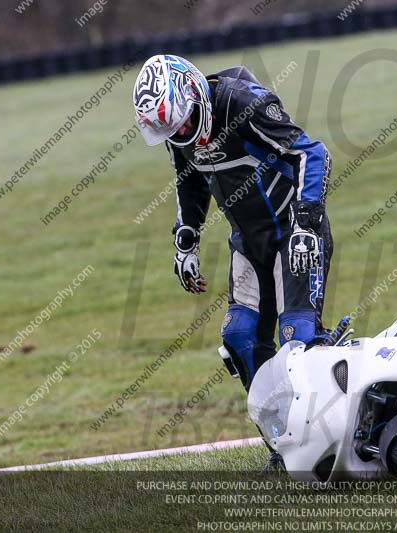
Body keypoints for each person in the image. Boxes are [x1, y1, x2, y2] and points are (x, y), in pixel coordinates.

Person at [133, 54, 334, 472]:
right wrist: (186, 238)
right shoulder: (179, 132)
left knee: (297, 340)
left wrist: (307, 220)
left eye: (184, 122)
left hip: (293, 232)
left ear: (193, 94)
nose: (184, 133)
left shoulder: (245, 105)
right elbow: (190, 180)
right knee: (240, 339)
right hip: (247, 241)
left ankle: (331, 435)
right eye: (174, 130)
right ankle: (282, 447)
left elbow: (313, 155)